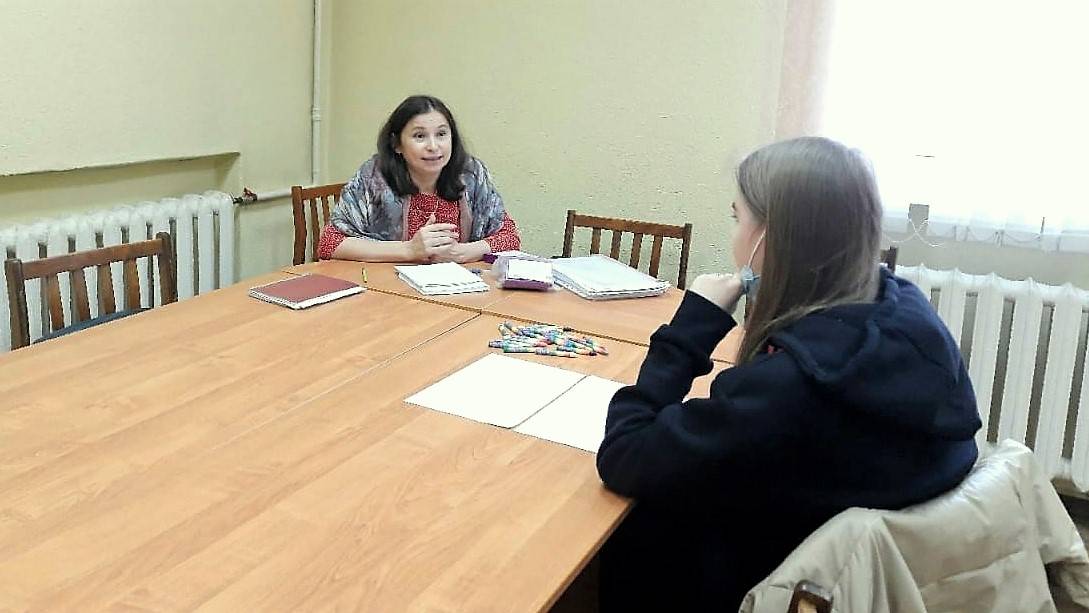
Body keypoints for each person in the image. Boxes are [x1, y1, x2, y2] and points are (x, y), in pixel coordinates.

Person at [595, 137, 981, 611]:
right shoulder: (910, 316)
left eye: (737, 219)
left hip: (767, 583)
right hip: (870, 577)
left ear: (772, 238)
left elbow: (624, 454)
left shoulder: (790, 390)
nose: (735, 237)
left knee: (619, 533)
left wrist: (692, 326)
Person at [318, 95, 519, 262]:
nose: (433, 146)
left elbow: (509, 237)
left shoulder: (471, 174)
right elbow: (330, 242)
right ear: (397, 144)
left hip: (460, 290)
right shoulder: (374, 177)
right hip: (388, 289)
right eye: (419, 136)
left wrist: (462, 253)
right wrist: (408, 250)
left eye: (441, 134)